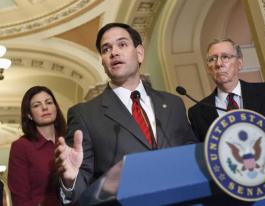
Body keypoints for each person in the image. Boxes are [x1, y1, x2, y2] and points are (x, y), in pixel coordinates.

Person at [55, 22, 197, 205]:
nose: (114, 52)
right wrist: (70, 180)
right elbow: (82, 187)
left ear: (139, 53)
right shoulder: (84, 114)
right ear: (103, 62)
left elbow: (192, 154)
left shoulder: (173, 104)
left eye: (122, 44)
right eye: (106, 49)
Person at [188, 38, 265, 142]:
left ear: (240, 63)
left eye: (225, 57)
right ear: (208, 69)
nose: (218, 64)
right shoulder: (197, 113)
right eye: (212, 59)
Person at [8, 86, 66, 206]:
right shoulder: (21, 147)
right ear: (29, 114)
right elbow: (20, 199)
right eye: (36, 105)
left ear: (55, 108)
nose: (45, 107)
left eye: (49, 102)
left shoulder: (69, 141)